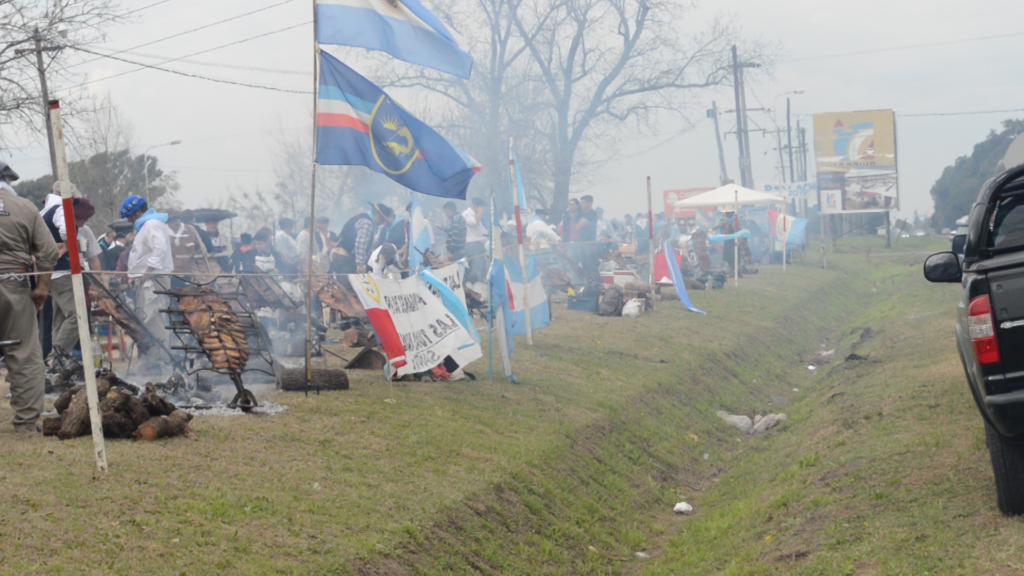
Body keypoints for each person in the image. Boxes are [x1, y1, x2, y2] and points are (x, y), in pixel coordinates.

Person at [0, 162, 58, 433]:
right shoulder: (25, 207)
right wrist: (42, 288)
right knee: (24, 354)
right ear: (9, 179)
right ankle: (25, 423)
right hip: (15, 285)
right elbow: (48, 252)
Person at [40, 188, 98, 360]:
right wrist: (72, 245)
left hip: (53, 273)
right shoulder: (60, 210)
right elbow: (66, 234)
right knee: (78, 315)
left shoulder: (46, 212)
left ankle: (57, 363)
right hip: (61, 273)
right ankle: (56, 358)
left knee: (59, 320)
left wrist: (73, 245)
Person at [121, 194, 174, 358]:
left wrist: (147, 272)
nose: (129, 220)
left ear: (136, 213)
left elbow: (160, 249)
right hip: (146, 279)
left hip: (153, 279)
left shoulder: (152, 224)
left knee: (154, 320)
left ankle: (164, 363)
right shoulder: (145, 226)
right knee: (147, 321)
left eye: (129, 216)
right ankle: (153, 360)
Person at [331, 204, 387, 274]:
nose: (382, 223)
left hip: (340, 256)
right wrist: (360, 265)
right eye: (382, 220)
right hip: (345, 259)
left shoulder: (361, 217)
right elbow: (361, 244)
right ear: (376, 215)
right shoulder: (367, 223)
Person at [463, 198, 488, 283]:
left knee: (482, 267)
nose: (482, 209)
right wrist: (480, 212)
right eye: (481, 207)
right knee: (476, 269)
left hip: (480, 245)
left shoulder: (476, 215)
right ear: (476, 205)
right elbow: (472, 222)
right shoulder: (467, 214)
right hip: (472, 245)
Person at [577, 195, 600, 285]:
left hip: (589, 243)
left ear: (590, 203)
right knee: (585, 266)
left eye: (584, 202)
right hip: (582, 243)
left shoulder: (592, 213)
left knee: (591, 267)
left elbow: (580, 225)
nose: (581, 205)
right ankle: (588, 285)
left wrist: (578, 225)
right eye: (581, 202)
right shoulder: (583, 214)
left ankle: (596, 285)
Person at [715, 208, 742, 276]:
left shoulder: (737, 219)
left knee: (735, 256)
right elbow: (719, 225)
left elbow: (741, 231)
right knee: (728, 256)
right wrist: (712, 228)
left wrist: (739, 241)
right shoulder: (725, 219)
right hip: (728, 240)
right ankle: (730, 269)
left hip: (735, 239)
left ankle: (736, 270)